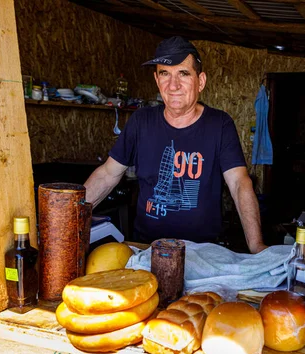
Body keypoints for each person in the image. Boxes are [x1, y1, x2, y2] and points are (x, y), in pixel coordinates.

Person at [84, 36, 266, 253]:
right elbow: (107, 174)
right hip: (147, 249)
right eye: (165, 74)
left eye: (183, 73)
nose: (173, 85)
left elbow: (239, 183)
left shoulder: (220, 124)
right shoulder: (141, 121)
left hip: (202, 252)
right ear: (156, 80)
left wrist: (256, 246)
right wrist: (68, 218)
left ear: (201, 81)